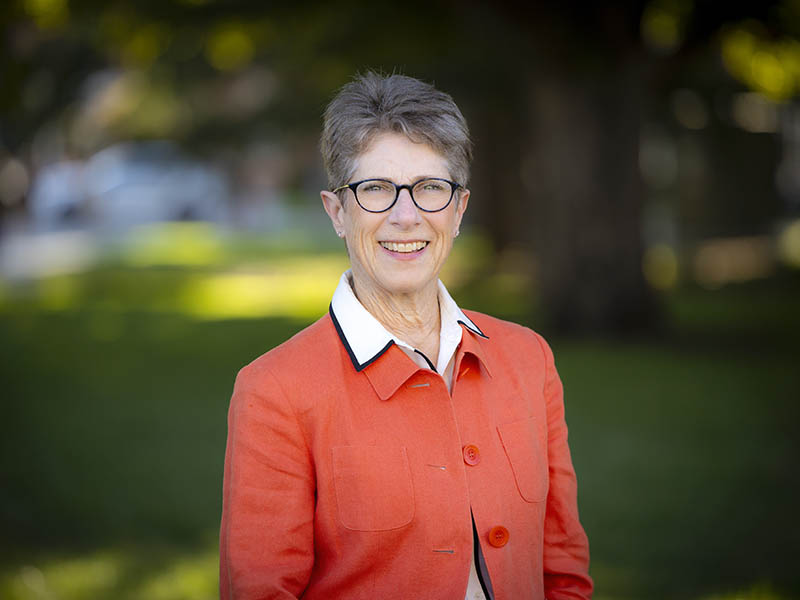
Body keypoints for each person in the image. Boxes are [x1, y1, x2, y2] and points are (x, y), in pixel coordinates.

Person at [219, 72, 593, 600]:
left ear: (459, 210)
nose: (406, 216)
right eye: (375, 189)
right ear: (337, 212)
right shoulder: (274, 390)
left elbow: (564, 569)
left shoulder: (529, 357)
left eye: (430, 188)